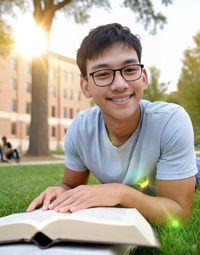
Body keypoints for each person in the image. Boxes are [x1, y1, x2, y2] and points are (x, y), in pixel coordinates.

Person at [27, 23, 197, 226]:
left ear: (143, 77)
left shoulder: (171, 121)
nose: (119, 84)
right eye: (103, 74)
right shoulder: (81, 129)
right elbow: (70, 185)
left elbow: (177, 213)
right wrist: (60, 191)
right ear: (85, 86)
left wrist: (120, 193)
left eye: (130, 69)